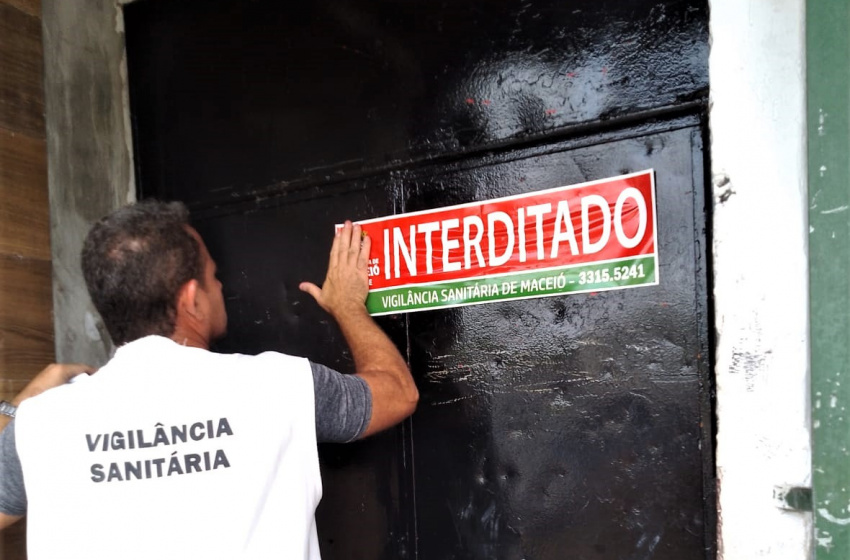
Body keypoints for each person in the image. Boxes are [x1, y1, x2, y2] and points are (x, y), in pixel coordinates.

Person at [0, 200, 418, 559]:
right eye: (213, 276)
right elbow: (397, 393)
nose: (221, 286)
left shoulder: (41, 425)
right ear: (191, 299)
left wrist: (25, 403)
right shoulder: (278, 387)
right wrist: (348, 306)